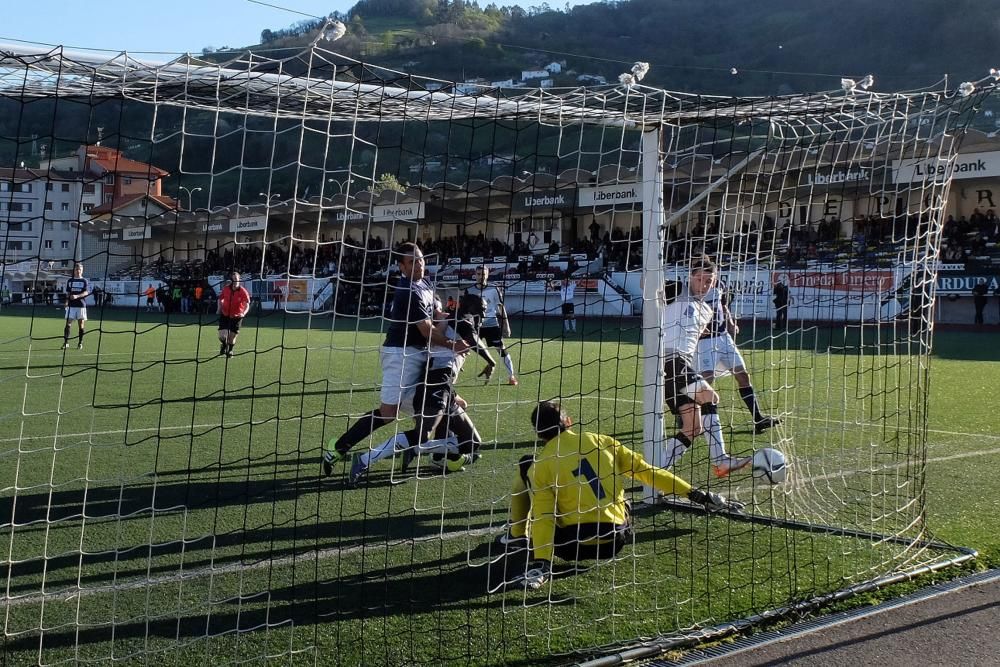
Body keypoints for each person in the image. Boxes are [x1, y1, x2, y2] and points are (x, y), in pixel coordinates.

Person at [506, 401, 742, 590]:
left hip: (571, 545)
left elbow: (544, 516)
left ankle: (516, 535)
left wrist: (542, 563)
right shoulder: (603, 441)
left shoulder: (543, 464)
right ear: (568, 421)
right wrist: (696, 495)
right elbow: (651, 474)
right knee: (622, 489)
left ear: (539, 434)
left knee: (525, 466)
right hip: (615, 540)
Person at [323, 243, 469, 476]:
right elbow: (426, 329)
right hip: (400, 355)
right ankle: (338, 448)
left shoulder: (426, 283)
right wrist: (455, 345)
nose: (419, 264)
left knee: (433, 406)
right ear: (401, 267)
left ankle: (444, 456)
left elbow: (436, 316)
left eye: (420, 259)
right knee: (390, 413)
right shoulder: (407, 291)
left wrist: (455, 318)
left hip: (420, 354)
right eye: (412, 261)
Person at [348, 301, 484, 486]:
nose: (484, 313)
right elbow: (474, 343)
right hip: (435, 383)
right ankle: (364, 460)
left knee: (473, 442)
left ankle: (427, 452)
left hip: (444, 387)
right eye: (481, 310)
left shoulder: (449, 323)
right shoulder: (456, 322)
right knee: (422, 435)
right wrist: (491, 362)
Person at [659, 255, 752, 478]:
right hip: (670, 361)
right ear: (691, 277)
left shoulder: (707, 311)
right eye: (701, 279)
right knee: (710, 397)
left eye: (710, 281)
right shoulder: (677, 290)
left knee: (693, 427)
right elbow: (648, 287)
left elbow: (695, 339)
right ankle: (721, 460)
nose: (705, 285)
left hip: (679, 366)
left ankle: (656, 473)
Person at [696, 285, 780, 441]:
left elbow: (723, 306)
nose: (709, 280)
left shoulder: (718, 287)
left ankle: (758, 419)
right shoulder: (693, 289)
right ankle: (690, 416)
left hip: (724, 338)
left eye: (712, 276)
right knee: (706, 381)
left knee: (743, 376)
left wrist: (731, 324)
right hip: (705, 342)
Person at [466, 265, 518, 385]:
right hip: (475, 326)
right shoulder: (469, 290)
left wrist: (506, 325)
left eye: (483, 274)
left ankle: (511, 377)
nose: (480, 276)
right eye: (478, 274)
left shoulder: (494, 289)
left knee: (502, 350)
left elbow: (501, 307)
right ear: (475, 275)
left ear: (487, 275)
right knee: (462, 348)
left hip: (491, 324)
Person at [217, 272, 251, 358]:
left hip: (237, 316)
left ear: (239, 280)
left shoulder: (243, 291)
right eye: (233, 279)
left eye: (236, 279)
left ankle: (230, 350)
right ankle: (224, 345)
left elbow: (247, 304)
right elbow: (220, 298)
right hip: (225, 315)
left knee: (231, 338)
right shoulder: (226, 289)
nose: (235, 281)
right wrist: (219, 307)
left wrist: (243, 313)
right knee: (222, 337)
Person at [63, 263, 90, 350]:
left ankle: (80, 343)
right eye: (76, 269)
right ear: (74, 270)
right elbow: (68, 293)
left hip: (81, 306)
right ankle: (66, 342)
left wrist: (77, 296)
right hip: (71, 306)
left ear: (82, 271)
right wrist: (66, 301)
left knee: (81, 325)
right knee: (68, 324)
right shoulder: (70, 281)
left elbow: (86, 292)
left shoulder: (84, 281)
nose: (78, 271)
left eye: (80, 270)